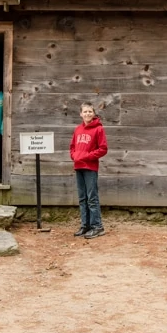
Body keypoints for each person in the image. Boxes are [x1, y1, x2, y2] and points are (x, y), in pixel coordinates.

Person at [69, 102, 108, 239]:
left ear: (94, 113)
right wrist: (75, 156)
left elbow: (103, 149)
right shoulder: (78, 129)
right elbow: (72, 147)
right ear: (81, 114)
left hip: (90, 167)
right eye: (85, 112)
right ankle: (85, 225)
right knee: (82, 198)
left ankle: (97, 226)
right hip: (78, 166)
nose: (87, 114)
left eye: (90, 111)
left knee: (92, 198)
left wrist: (87, 157)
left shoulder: (98, 129)